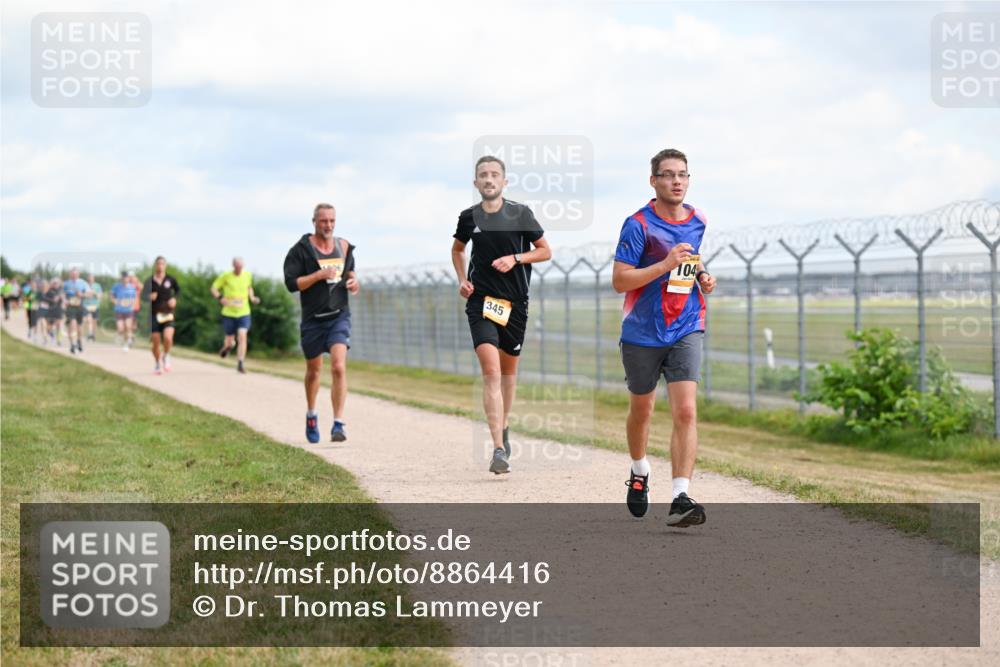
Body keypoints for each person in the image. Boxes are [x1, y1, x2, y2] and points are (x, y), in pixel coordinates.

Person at [611, 148, 717, 527]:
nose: (677, 181)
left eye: (683, 175)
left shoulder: (698, 219)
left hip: (687, 323)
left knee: (686, 410)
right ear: (653, 180)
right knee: (643, 410)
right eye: (669, 174)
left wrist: (702, 275)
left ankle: (680, 496)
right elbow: (620, 280)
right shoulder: (637, 224)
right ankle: (640, 471)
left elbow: (692, 257)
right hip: (642, 330)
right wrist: (664, 265)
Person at [451, 156, 551, 475]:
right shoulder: (469, 217)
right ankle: (497, 449)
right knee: (491, 372)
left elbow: (545, 251)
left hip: (515, 305)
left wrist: (516, 258)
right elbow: (457, 249)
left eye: (495, 175)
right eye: (483, 175)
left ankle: (503, 426)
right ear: (476, 183)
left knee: (508, 374)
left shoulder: (519, 213)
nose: (489, 179)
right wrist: (462, 280)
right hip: (481, 302)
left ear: (504, 182)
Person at [283, 202, 359, 444]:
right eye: (324, 221)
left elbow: (351, 273)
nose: (328, 225)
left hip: (338, 315)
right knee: (314, 371)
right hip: (313, 319)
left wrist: (354, 282)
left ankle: (338, 423)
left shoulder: (344, 246)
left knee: (338, 367)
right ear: (314, 222)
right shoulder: (301, 250)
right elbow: (292, 284)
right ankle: (312, 413)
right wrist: (317, 275)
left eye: (332, 221)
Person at [211, 257, 260, 374]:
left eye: (241, 267)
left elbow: (249, 288)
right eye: (237, 267)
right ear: (233, 266)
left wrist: (252, 297)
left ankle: (240, 363)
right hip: (229, 313)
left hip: (244, 312)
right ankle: (228, 347)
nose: (239, 269)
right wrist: (220, 298)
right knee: (229, 340)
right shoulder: (226, 276)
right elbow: (213, 288)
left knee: (242, 335)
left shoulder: (247, 275)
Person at [142, 257, 181, 374]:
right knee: (155, 342)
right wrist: (148, 297)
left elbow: (178, 291)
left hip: (168, 313)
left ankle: (166, 355)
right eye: (158, 263)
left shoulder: (171, 279)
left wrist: (174, 299)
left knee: (168, 338)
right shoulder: (149, 281)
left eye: (162, 264)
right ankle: (157, 363)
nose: (160, 266)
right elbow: (142, 296)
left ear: (165, 265)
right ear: (155, 265)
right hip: (154, 314)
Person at [62, 268, 90, 354]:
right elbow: (61, 294)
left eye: (75, 274)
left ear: (78, 275)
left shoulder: (83, 283)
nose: (74, 276)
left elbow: (89, 293)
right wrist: (64, 301)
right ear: (70, 275)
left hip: (79, 307)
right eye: (72, 274)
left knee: (79, 328)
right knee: (72, 324)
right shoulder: (66, 284)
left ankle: (79, 341)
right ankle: (72, 345)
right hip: (70, 307)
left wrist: (82, 294)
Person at [111, 271, 138, 350]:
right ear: (121, 278)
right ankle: (121, 336)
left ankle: (126, 344)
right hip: (119, 310)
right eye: (123, 278)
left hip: (129, 310)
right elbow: (111, 295)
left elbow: (134, 297)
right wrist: (115, 301)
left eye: (126, 278)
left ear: (128, 278)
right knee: (120, 328)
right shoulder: (116, 287)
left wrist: (131, 303)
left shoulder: (132, 287)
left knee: (128, 326)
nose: (125, 279)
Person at [41, 278, 64, 346]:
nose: (55, 284)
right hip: (50, 310)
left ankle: (59, 340)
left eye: (57, 283)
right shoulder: (48, 291)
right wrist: (52, 300)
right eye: (54, 283)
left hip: (58, 310)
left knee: (59, 325)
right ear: (52, 284)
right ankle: (51, 335)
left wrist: (62, 298)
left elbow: (63, 299)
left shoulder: (61, 291)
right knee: (49, 327)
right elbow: (44, 299)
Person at [83, 273, 103, 342]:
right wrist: (87, 294)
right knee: (88, 320)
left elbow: (99, 296)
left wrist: (94, 293)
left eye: (91, 278)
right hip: (86, 305)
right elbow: (83, 294)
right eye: (89, 278)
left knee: (94, 321)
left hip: (95, 305)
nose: (90, 279)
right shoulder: (84, 285)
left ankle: (93, 335)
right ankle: (89, 333)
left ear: (94, 278)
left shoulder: (97, 286)